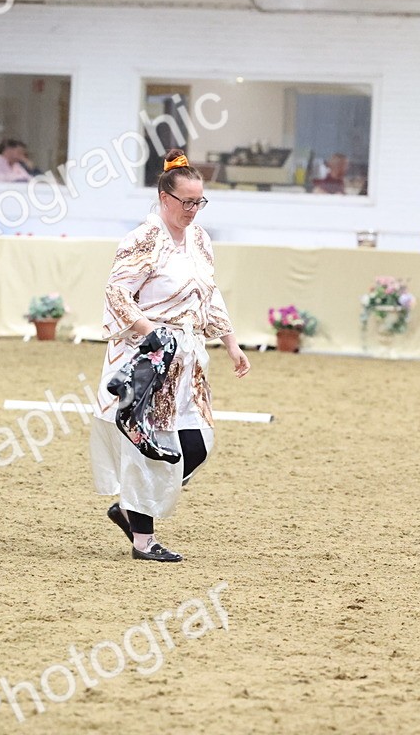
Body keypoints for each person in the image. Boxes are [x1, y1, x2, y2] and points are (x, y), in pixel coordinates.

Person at [89, 148, 250, 563]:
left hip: (189, 359)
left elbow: (209, 294)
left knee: (198, 444)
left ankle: (129, 509)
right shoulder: (143, 238)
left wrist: (231, 342)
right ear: (165, 198)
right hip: (150, 358)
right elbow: (117, 293)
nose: (193, 210)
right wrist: (151, 334)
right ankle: (143, 540)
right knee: (150, 446)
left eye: (199, 202)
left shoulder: (200, 239)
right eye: (186, 202)